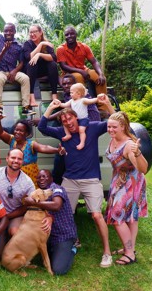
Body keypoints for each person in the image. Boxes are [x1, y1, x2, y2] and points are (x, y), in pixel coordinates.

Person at [38, 97, 115, 268]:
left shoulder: (91, 128)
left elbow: (114, 120)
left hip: (91, 180)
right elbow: (42, 127)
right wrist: (50, 107)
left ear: (76, 117)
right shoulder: (61, 133)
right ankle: (73, 240)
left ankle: (107, 253)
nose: (67, 122)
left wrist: (108, 104)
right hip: (70, 180)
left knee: (96, 215)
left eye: (70, 118)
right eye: (64, 120)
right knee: (62, 213)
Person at [105, 112, 148, 265]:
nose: (110, 129)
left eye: (114, 127)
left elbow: (143, 168)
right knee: (130, 217)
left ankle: (130, 254)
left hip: (132, 183)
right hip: (118, 181)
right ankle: (129, 248)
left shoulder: (129, 145)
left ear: (123, 127)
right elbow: (116, 165)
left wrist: (138, 154)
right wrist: (113, 184)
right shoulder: (113, 140)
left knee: (117, 217)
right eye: (108, 126)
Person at [0, 0, 34, 117]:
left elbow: (21, 62)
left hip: (12, 71)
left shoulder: (19, 45)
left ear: (14, 32)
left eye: (10, 31)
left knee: (26, 79)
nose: (8, 33)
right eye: (6, 31)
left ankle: (26, 107)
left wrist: (15, 71)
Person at [23, 169, 78, 275]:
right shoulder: (38, 192)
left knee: (58, 270)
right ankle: (54, 251)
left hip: (63, 235)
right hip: (47, 236)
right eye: (39, 177)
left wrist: (35, 202)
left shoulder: (56, 189)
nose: (41, 179)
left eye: (44, 176)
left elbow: (56, 205)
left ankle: (72, 249)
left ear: (51, 178)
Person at [0, 149, 36, 257]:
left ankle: (21, 253)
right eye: (13, 158)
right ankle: (3, 237)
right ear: (7, 158)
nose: (16, 161)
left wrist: (9, 216)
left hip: (14, 214)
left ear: (22, 161)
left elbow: (30, 204)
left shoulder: (27, 182)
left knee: (15, 232)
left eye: (19, 159)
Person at [0, 115, 64, 183]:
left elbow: (44, 147)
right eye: (16, 130)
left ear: (27, 133)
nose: (17, 132)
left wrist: (57, 150)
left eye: (21, 131)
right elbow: (0, 132)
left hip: (30, 178)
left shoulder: (31, 144)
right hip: (14, 176)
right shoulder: (11, 140)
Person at [57, 26, 107, 97]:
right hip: (69, 73)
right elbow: (63, 66)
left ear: (76, 35)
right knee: (78, 77)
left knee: (99, 77)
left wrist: (100, 74)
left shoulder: (84, 47)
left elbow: (94, 62)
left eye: (72, 34)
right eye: (67, 35)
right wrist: (80, 71)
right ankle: (83, 103)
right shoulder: (61, 49)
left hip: (84, 69)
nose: (69, 36)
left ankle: (103, 105)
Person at [57, 83, 103, 150]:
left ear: (78, 94)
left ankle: (82, 143)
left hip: (83, 119)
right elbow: (64, 105)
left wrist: (98, 98)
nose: (70, 94)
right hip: (75, 119)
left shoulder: (83, 100)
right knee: (65, 124)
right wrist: (59, 103)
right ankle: (68, 134)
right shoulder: (71, 101)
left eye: (72, 93)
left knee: (81, 130)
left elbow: (92, 101)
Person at [22, 24, 59, 106]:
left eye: (34, 32)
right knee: (32, 63)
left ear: (40, 32)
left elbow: (53, 58)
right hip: (30, 71)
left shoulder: (47, 44)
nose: (32, 34)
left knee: (52, 64)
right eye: (30, 32)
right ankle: (32, 97)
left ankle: (54, 95)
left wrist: (40, 54)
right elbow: (29, 57)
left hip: (42, 71)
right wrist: (40, 45)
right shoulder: (27, 44)